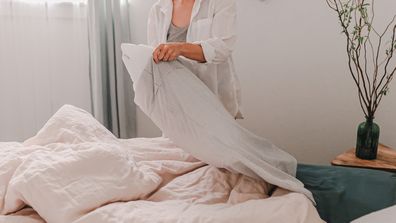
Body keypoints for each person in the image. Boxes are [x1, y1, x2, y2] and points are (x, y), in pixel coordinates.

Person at [147, 0, 243, 119]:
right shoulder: (158, 9)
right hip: (175, 103)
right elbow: (155, 56)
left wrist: (180, 48)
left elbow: (222, 47)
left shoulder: (220, 2)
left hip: (214, 99)